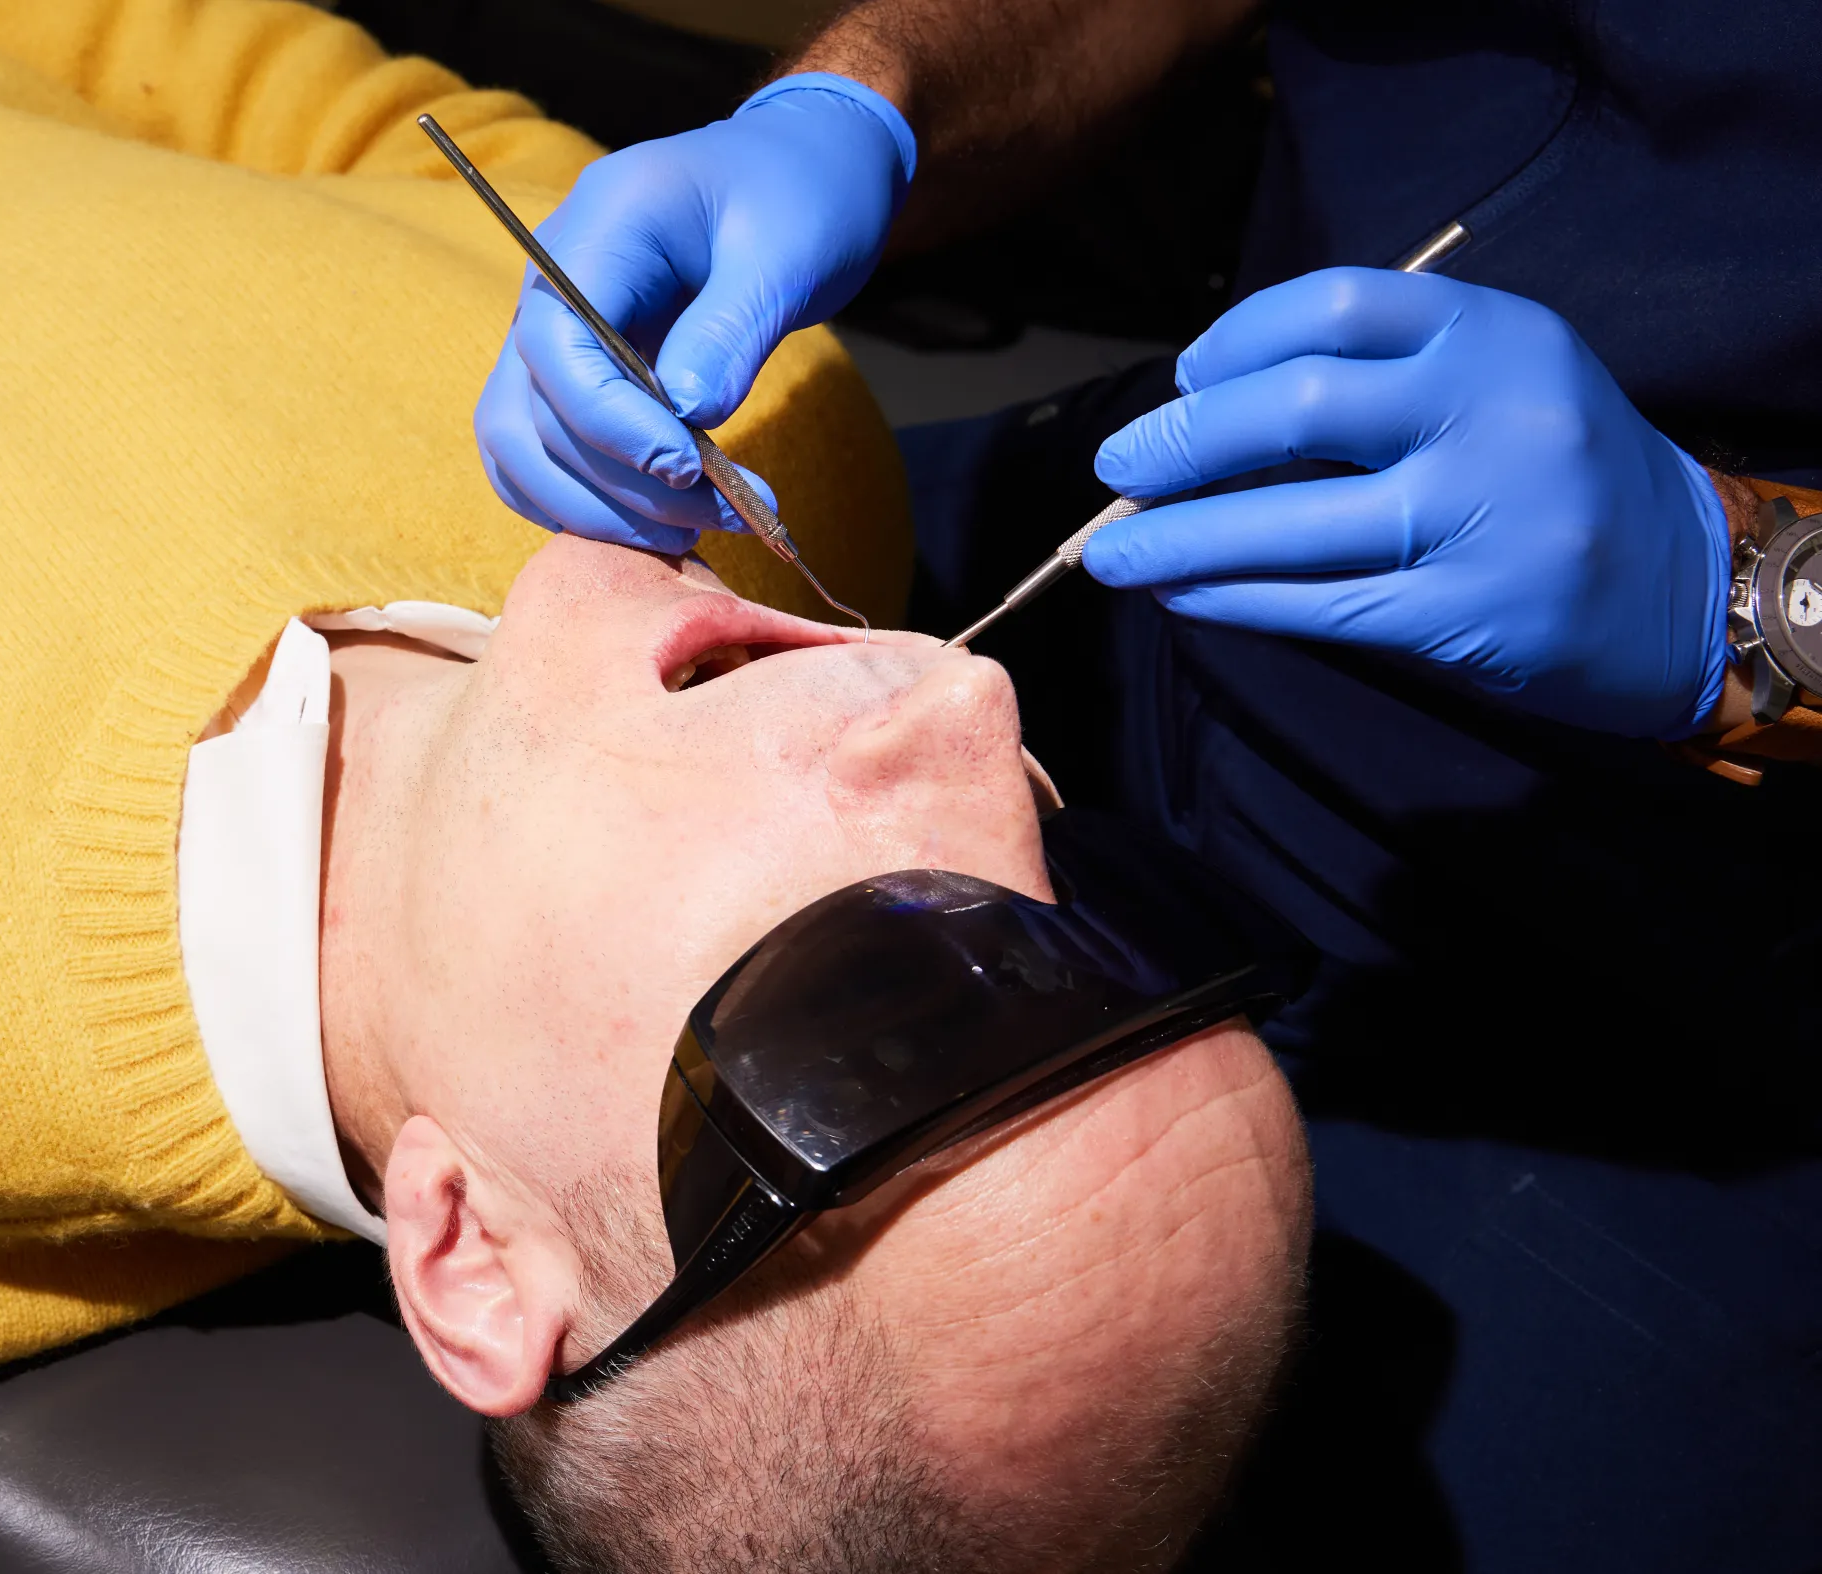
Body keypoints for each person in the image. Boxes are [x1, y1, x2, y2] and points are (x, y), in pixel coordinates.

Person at [0, 3, 1315, 1569]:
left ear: (476, 1254)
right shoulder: (772, 439)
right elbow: (224, 68)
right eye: (1104, 911)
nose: (968, 706)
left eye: (903, 1003)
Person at [475, 0, 1822, 1568]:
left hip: (1692, 975)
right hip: (1194, 506)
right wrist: (866, 102)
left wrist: (1757, 595)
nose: (975, 705)